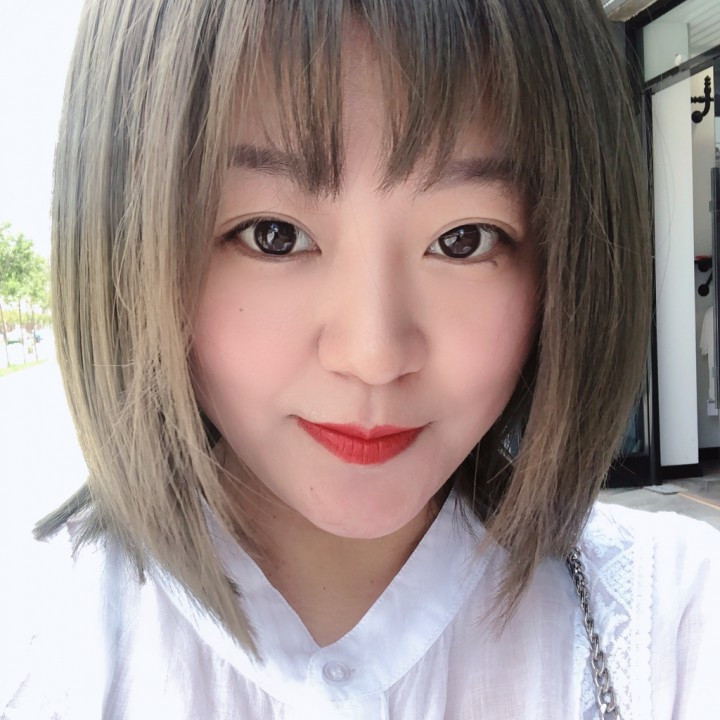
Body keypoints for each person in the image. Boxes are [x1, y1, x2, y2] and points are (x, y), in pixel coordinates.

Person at [3, 0, 719, 718]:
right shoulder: (36, 646)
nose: (373, 356)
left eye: (464, 240)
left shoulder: (675, 623)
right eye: (274, 235)